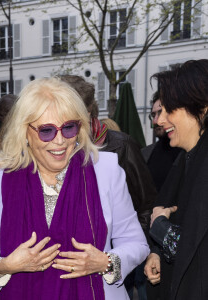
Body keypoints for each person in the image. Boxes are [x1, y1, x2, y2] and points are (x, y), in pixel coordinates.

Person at [0, 77, 149, 300]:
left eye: (69, 128)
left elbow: (136, 244)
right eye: (47, 131)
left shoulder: (106, 170)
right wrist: (6, 265)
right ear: (25, 132)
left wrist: (105, 262)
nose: (60, 141)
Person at [60, 75, 156, 300]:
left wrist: (115, 254)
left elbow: (146, 204)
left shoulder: (120, 145)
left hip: (111, 267)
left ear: (86, 113)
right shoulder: (53, 150)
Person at [144, 59, 208, 300]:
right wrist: (157, 253)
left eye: (170, 110)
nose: (160, 121)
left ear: (201, 107)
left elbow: (194, 251)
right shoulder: (185, 160)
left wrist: (160, 228)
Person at [142, 93, 181, 300]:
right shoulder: (146, 153)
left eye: (162, 112)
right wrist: (152, 250)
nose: (157, 120)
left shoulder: (187, 154)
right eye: (153, 114)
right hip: (153, 246)